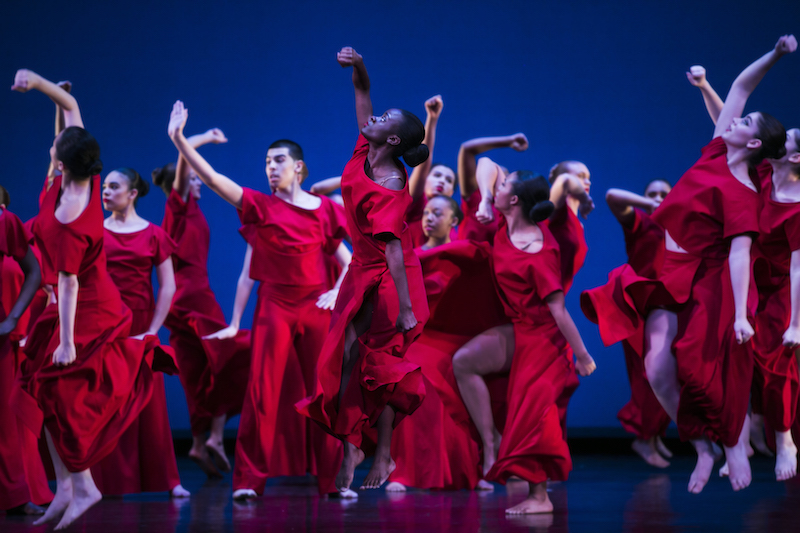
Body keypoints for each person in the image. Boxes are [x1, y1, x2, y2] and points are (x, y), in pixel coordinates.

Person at [582, 36, 794, 493]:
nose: (735, 118)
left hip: (707, 277)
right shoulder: (718, 148)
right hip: (664, 267)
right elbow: (739, 87)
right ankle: (701, 447)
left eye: (747, 121)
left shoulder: (743, 194)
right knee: (656, 368)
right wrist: (775, 55)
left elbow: (740, 254)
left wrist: (739, 315)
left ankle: (734, 444)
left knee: (702, 367)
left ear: (753, 140)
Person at [10, 69, 170, 529]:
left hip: (85, 312)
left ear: (62, 164)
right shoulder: (78, 180)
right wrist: (42, 87)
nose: (51, 147)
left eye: (55, 150)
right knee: (42, 393)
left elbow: (68, 283)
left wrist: (65, 341)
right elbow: (72, 113)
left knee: (61, 397)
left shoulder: (68, 217)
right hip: (70, 307)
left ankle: (85, 487)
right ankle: (66, 488)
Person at [166, 110, 351, 499]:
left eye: (278, 160)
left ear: (298, 167)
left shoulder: (326, 210)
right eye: (266, 162)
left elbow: (350, 262)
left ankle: (332, 481)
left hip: (315, 306)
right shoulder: (260, 206)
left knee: (323, 392)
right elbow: (215, 181)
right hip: (275, 306)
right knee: (262, 394)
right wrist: (180, 140)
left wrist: (337, 292)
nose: (270, 168)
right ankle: (249, 481)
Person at [296, 46, 431, 495]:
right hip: (361, 269)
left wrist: (408, 309)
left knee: (382, 365)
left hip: (394, 279)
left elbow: (394, 252)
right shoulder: (364, 147)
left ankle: (383, 452)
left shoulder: (392, 182)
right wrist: (357, 65)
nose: (374, 119)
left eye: (383, 120)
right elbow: (363, 89)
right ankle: (353, 441)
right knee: (344, 359)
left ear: (392, 140)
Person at [689, 64, 800, 481]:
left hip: (785, 290)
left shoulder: (798, 206)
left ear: (796, 156)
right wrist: (704, 86)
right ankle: (738, 441)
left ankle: (785, 438)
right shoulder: (763, 171)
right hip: (751, 281)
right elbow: (727, 121)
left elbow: (798, 265)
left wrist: (795, 323)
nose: (780, 134)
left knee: (777, 367)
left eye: (787, 136)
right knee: (734, 357)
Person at [478, 170, 596, 515]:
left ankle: (540, 497)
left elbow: (559, 311)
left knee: (536, 418)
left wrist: (583, 355)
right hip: (523, 336)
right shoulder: (506, 229)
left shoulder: (541, 250)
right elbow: (486, 163)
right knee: (525, 415)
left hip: (545, 343)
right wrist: (486, 198)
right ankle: (536, 493)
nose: (495, 188)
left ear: (513, 200)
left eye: (500, 188)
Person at [386, 196, 505, 491]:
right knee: (413, 374)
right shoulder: (409, 255)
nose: (428, 217)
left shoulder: (461, 252)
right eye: (426, 212)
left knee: (455, 372)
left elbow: (481, 259)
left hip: (455, 338)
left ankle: (467, 471)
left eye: (437, 213)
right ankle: (404, 472)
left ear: (454, 220)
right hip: (420, 338)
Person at [154, 129, 252, 479]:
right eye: (192, 179)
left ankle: (198, 442)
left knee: (196, 373)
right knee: (230, 355)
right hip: (194, 296)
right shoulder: (177, 207)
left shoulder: (188, 211)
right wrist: (198, 138)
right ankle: (214, 437)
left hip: (179, 301)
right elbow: (183, 162)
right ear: (177, 185)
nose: (197, 183)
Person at [88, 168, 189, 497]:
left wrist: (151, 331)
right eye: (104, 186)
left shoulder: (154, 234)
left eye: (113, 186)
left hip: (141, 324)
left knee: (150, 401)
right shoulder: (94, 232)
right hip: (104, 323)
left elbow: (168, 286)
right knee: (104, 400)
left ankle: (169, 480)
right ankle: (99, 480)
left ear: (133, 193)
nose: (105, 192)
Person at [311, 95, 457, 248]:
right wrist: (432, 119)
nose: (442, 181)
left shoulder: (452, 229)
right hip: (398, 263)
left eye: (449, 180)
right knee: (336, 200)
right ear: (425, 179)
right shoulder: (416, 204)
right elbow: (423, 166)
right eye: (437, 175)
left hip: (413, 267)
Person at [604, 181, 674, 467]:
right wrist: (647, 206)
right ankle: (643, 439)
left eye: (664, 195)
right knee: (647, 376)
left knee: (668, 374)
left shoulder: (677, 227)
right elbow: (612, 195)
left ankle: (655, 435)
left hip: (666, 308)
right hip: (639, 309)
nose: (658, 199)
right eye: (652, 194)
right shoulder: (640, 221)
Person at [0, 185, 51, 516]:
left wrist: (12, 318)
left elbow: (35, 272)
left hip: (3, 337)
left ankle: (15, 496)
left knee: (6, 418)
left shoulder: (5, 222)